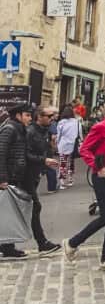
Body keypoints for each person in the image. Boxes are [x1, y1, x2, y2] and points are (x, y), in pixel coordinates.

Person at [63, 96, 105, 270]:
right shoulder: (100, 127)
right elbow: (84, 149)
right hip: (103, 177)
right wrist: (97, 166)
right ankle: (72, 243)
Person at [18, 107, 61, 256]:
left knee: (23, 209)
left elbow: (43, 150)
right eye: (49, 116)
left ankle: (6, 244)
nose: (52, 118)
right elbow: (25, 154)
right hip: (25, 176)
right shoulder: (30, 132)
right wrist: (44, 160)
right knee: (34, 207)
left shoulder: (44, 131)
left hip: (34, 175)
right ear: (39, 117)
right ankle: (42, 243)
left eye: (53, 116)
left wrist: (48, 157)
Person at [0, 103, 37, 258]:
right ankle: (7, 247)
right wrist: (2, 178)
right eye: (27, 115)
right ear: (18, 115)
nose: (29, 118)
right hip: (8, 177)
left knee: (8, 213)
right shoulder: (10, 129)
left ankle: (8, 246)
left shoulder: (19, 129)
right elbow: (1, 153)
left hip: (15, 176)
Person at [56, 104, 81, 188]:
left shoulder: (61, 123)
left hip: (63, 144)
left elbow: (59, 135)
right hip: (73, 145)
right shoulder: (77, 122)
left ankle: (62, 181)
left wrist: (58, 143)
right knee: (71, 162)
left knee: (63, 163)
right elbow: (80, 134)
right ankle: (70, 179)